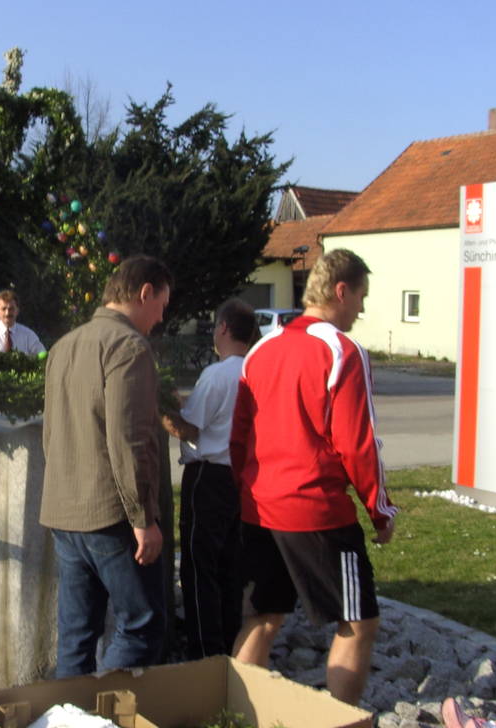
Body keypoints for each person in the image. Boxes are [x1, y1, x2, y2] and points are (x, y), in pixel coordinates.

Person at [229, 248, 398, 706]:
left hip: (260, 507)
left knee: (264, 616)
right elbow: (358, 444)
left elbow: (239, 437)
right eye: (361, 297)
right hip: (316, 511)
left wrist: (247, 493)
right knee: (358, 620)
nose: (362, 309)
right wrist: (380, 512)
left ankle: (240, 713)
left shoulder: (260, 350)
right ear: (341, 292)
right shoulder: (343, 351)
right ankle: (341, 717)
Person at [40, 254, 173, 677]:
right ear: (145, 293)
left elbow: (51, 435)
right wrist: (143, 518)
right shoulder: (129, 347)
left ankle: (67, 712)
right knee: (143, 626)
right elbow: (130, 440)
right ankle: (101, 711)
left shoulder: (63, 346)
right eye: (161, 306)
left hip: (64, 514)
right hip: (112, 517)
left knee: (76, 636)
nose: (161, 318)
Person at [161, 298, 257, 659]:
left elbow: (188, 428)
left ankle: (205, 649)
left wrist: (160, 408)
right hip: (241, 476)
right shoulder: (256, 370)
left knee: (200, 566)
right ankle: (230, 642)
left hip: (209, 475)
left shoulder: (217, 374)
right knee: (231, 564)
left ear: (223, 328)